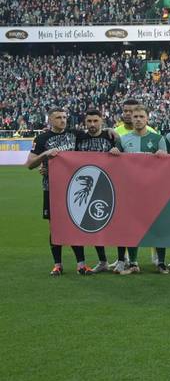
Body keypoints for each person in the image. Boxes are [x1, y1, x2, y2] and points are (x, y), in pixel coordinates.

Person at [26, 108, 85, 276]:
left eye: (65, 117)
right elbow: (30, 164)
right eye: (58, 117)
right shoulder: (42, 138)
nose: (63, 120)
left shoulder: (75, 134)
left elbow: (96, 135)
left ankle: (81, 265)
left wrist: (110, 131)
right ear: (50, 120)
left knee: (76, 224)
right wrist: (45, 155)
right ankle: (57, 265)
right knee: (55, 226)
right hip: (51, 189)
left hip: (73, 188)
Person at [113, 104, 170, 274]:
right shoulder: (122, 140)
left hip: (153, 191)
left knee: (158, 226)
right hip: (131, 191)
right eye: (135, 117)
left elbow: (168, 166)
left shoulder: (158, 138)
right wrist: (114, 152)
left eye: (141, 117)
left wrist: (164, 156)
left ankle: (161, 262)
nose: (137, 119)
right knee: (132, 226)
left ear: (147, 119)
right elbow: (115, 165)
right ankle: (133, 262)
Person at [74, 109, 119, 273]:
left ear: (102, 120)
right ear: (85, 122)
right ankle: (102, 261)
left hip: (107, 186)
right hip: (86, 188)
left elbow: (123, 159)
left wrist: (117, 152)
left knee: (111, 223)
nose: (92, 124)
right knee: (90, 224)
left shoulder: (111, 137)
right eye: (89, 121)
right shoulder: (79, 138)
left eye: (95, 121)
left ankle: (122, 259)